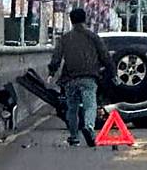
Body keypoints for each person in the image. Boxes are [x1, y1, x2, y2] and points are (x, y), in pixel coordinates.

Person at [47, 8, 113, 146]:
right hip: (89, 77)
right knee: (90, 105)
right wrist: (112, 72)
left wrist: (51, 72)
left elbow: (56, 58)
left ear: (71, 20)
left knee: (72, 108)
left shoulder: (64, 39)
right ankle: (89, 127)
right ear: (85, 19)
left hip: (70, 79)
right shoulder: (93, 37)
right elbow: (105, 56)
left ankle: (73, 136)